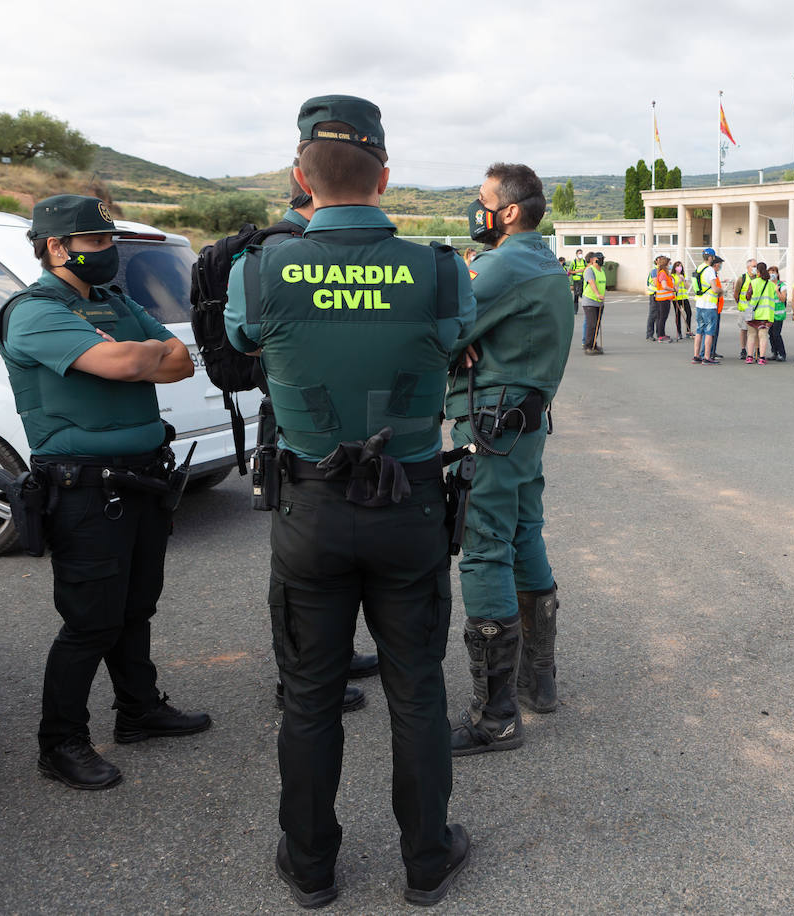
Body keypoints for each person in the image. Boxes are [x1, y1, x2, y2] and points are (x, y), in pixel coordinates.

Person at [225, 95, 473, 908]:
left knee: (309, 698)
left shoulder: (260, 269)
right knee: (418, 691)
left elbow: (239, 340)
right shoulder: (439, 267)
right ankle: (427, 860)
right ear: (386, 176)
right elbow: (454, 338)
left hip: (313, 509)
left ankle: (311, 865)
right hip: (409, 505)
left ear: (301, 176)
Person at [0, 194, 208, 792]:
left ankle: (139, 710)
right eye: (95, 242)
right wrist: (136, 357)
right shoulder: (34, 312)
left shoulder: (110, 300)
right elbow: (123, 363)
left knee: (136, 605)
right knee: (90, 621)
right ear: (56, 247)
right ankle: (60, 742)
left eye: (108, 240)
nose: (108, 252)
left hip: (141, 477)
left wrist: (136, 357)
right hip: (84, 487)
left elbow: (178, 362)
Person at [443, 162, 573, 757]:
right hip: (526, 422)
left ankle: (494, 716)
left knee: (485, 545)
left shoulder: (502, 263)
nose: (477, 210)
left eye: (483, 200)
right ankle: (536, 682)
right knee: (524, 534)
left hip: (492, 427)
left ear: (511, 212)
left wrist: (456, 338)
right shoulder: (546, 259)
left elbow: (437, 331)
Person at [257, 165, 380, 715]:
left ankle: (334, 653)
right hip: (299, 416)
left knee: (318, 564)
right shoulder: (279, 251)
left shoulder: (280, 252)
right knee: (301, 575)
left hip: (309, 409)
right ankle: (299, 678)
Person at [690, 248, 723, 365]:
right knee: (709, 332)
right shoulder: (709, 270)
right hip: (709, 305)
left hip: (699, 303)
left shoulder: (699, 268)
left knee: (699, 330)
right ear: (711, 257)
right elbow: (714, 289)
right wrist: (721, 290)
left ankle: (696, 355)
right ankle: (707, 357)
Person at [581, 251, 605, 355]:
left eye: (602, 258)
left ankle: (593, 344)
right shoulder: (589, 270)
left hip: (599, 302)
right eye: (600, 259)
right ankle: (588, 346)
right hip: (590, 300)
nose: (602, 261)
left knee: (596, 324)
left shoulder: (602, 271)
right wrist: (597, 294)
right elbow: (591, 283)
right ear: (594, 260)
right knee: (591, 324)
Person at [733, 259, 757, 360]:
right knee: (744, 330)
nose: (755, 268)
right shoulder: (742, 278)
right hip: (744, 309)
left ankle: (756, 350)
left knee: (755, 330)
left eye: (756, 266)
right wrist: (739, 304)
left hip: (756, 308)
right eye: (753, 266)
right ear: (748, 267)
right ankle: (743, 350)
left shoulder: (758, 278)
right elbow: (736, 293)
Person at [767, 265, 788, 361]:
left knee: (776, 334)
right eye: (770, 272)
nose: (772, 274)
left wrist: (777, 290)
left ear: (777, 274)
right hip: (769, 313)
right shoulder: (767, 284)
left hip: (778, 314)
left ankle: (782, 353)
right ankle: (774, 352)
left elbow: (783, 298)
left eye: (773, 272)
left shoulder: (782, 285)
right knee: (770, 333)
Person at [652, 256, 675, 341]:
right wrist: (673, 289)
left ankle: (662, 334)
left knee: (663, 317)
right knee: (662, 317)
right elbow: (664, 286)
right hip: (663, 299)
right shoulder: (662, 273)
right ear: (665, 264)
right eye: (669, 263)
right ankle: (661, 335)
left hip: (664, 299)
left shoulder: (664, 273)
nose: (670, 265)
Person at [671, 261, 691, 340]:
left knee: (689, 313)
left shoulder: (683, 276)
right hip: (676, 298)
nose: (679, 267)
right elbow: (673, 286)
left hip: (684, 297)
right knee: (678, 315)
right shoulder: (672, 276)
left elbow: (687, 287)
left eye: (680, 266)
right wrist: (679, 281)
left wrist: (684, 280)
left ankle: (688, 331)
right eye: (677, 266)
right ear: (674, 268)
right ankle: (679, 332)